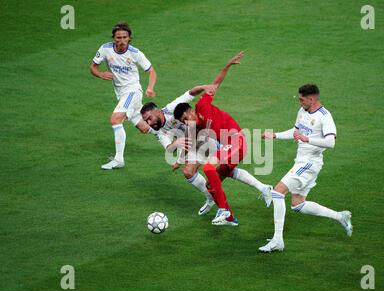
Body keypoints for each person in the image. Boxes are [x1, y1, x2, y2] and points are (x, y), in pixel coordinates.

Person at [141, 81, 272, 217]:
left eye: (149, 118)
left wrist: (204, 87)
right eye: (146, 121)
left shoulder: (172, 108)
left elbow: (191, 92)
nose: (149, 123)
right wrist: (177, 146)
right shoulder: (158, 131)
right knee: (189, 172)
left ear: (157, 111)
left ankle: (257, 190)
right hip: (193, 143)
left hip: (205, 138)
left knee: (223, 170)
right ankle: (212, 199)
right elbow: (169, 149)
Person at [173, 52, 271, 226]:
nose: (187, 122)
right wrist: (179, 161)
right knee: (211, 185)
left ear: (190, 111)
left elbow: (215, 83)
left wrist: (228, 65)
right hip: (228, 148)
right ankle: (232, 217)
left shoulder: (202, 105)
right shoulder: (197, 128)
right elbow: (188, 143)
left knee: (209, 166)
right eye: (183, 122)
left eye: (186, 118)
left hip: (237, 141)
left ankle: (223, 210)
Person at [258, 84, 353, 252]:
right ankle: (340, 216)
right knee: (298, 204)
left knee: (277, 192)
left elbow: (331, 142)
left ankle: (277, 240)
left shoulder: (325, 116)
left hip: (310, 163)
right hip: (301, 160)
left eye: (302, 99)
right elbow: (295, 132)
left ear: (312, 99)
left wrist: (307, 139)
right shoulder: (303, 112)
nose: (299, 102)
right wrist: (274, 135)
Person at [90, 22, 157, 170]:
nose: (121, 40)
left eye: (124, 37)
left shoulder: (135, 53)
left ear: (129, 38)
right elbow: (93, 67)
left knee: (115, 119)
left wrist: (150, 88)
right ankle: (171, 136)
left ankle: (119, 159)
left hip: (133, 91)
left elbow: (151, 71)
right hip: (121, 94)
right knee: (144, 127)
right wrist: (101, 74)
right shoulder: (105, 49)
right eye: (118, 37)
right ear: (113, 38)